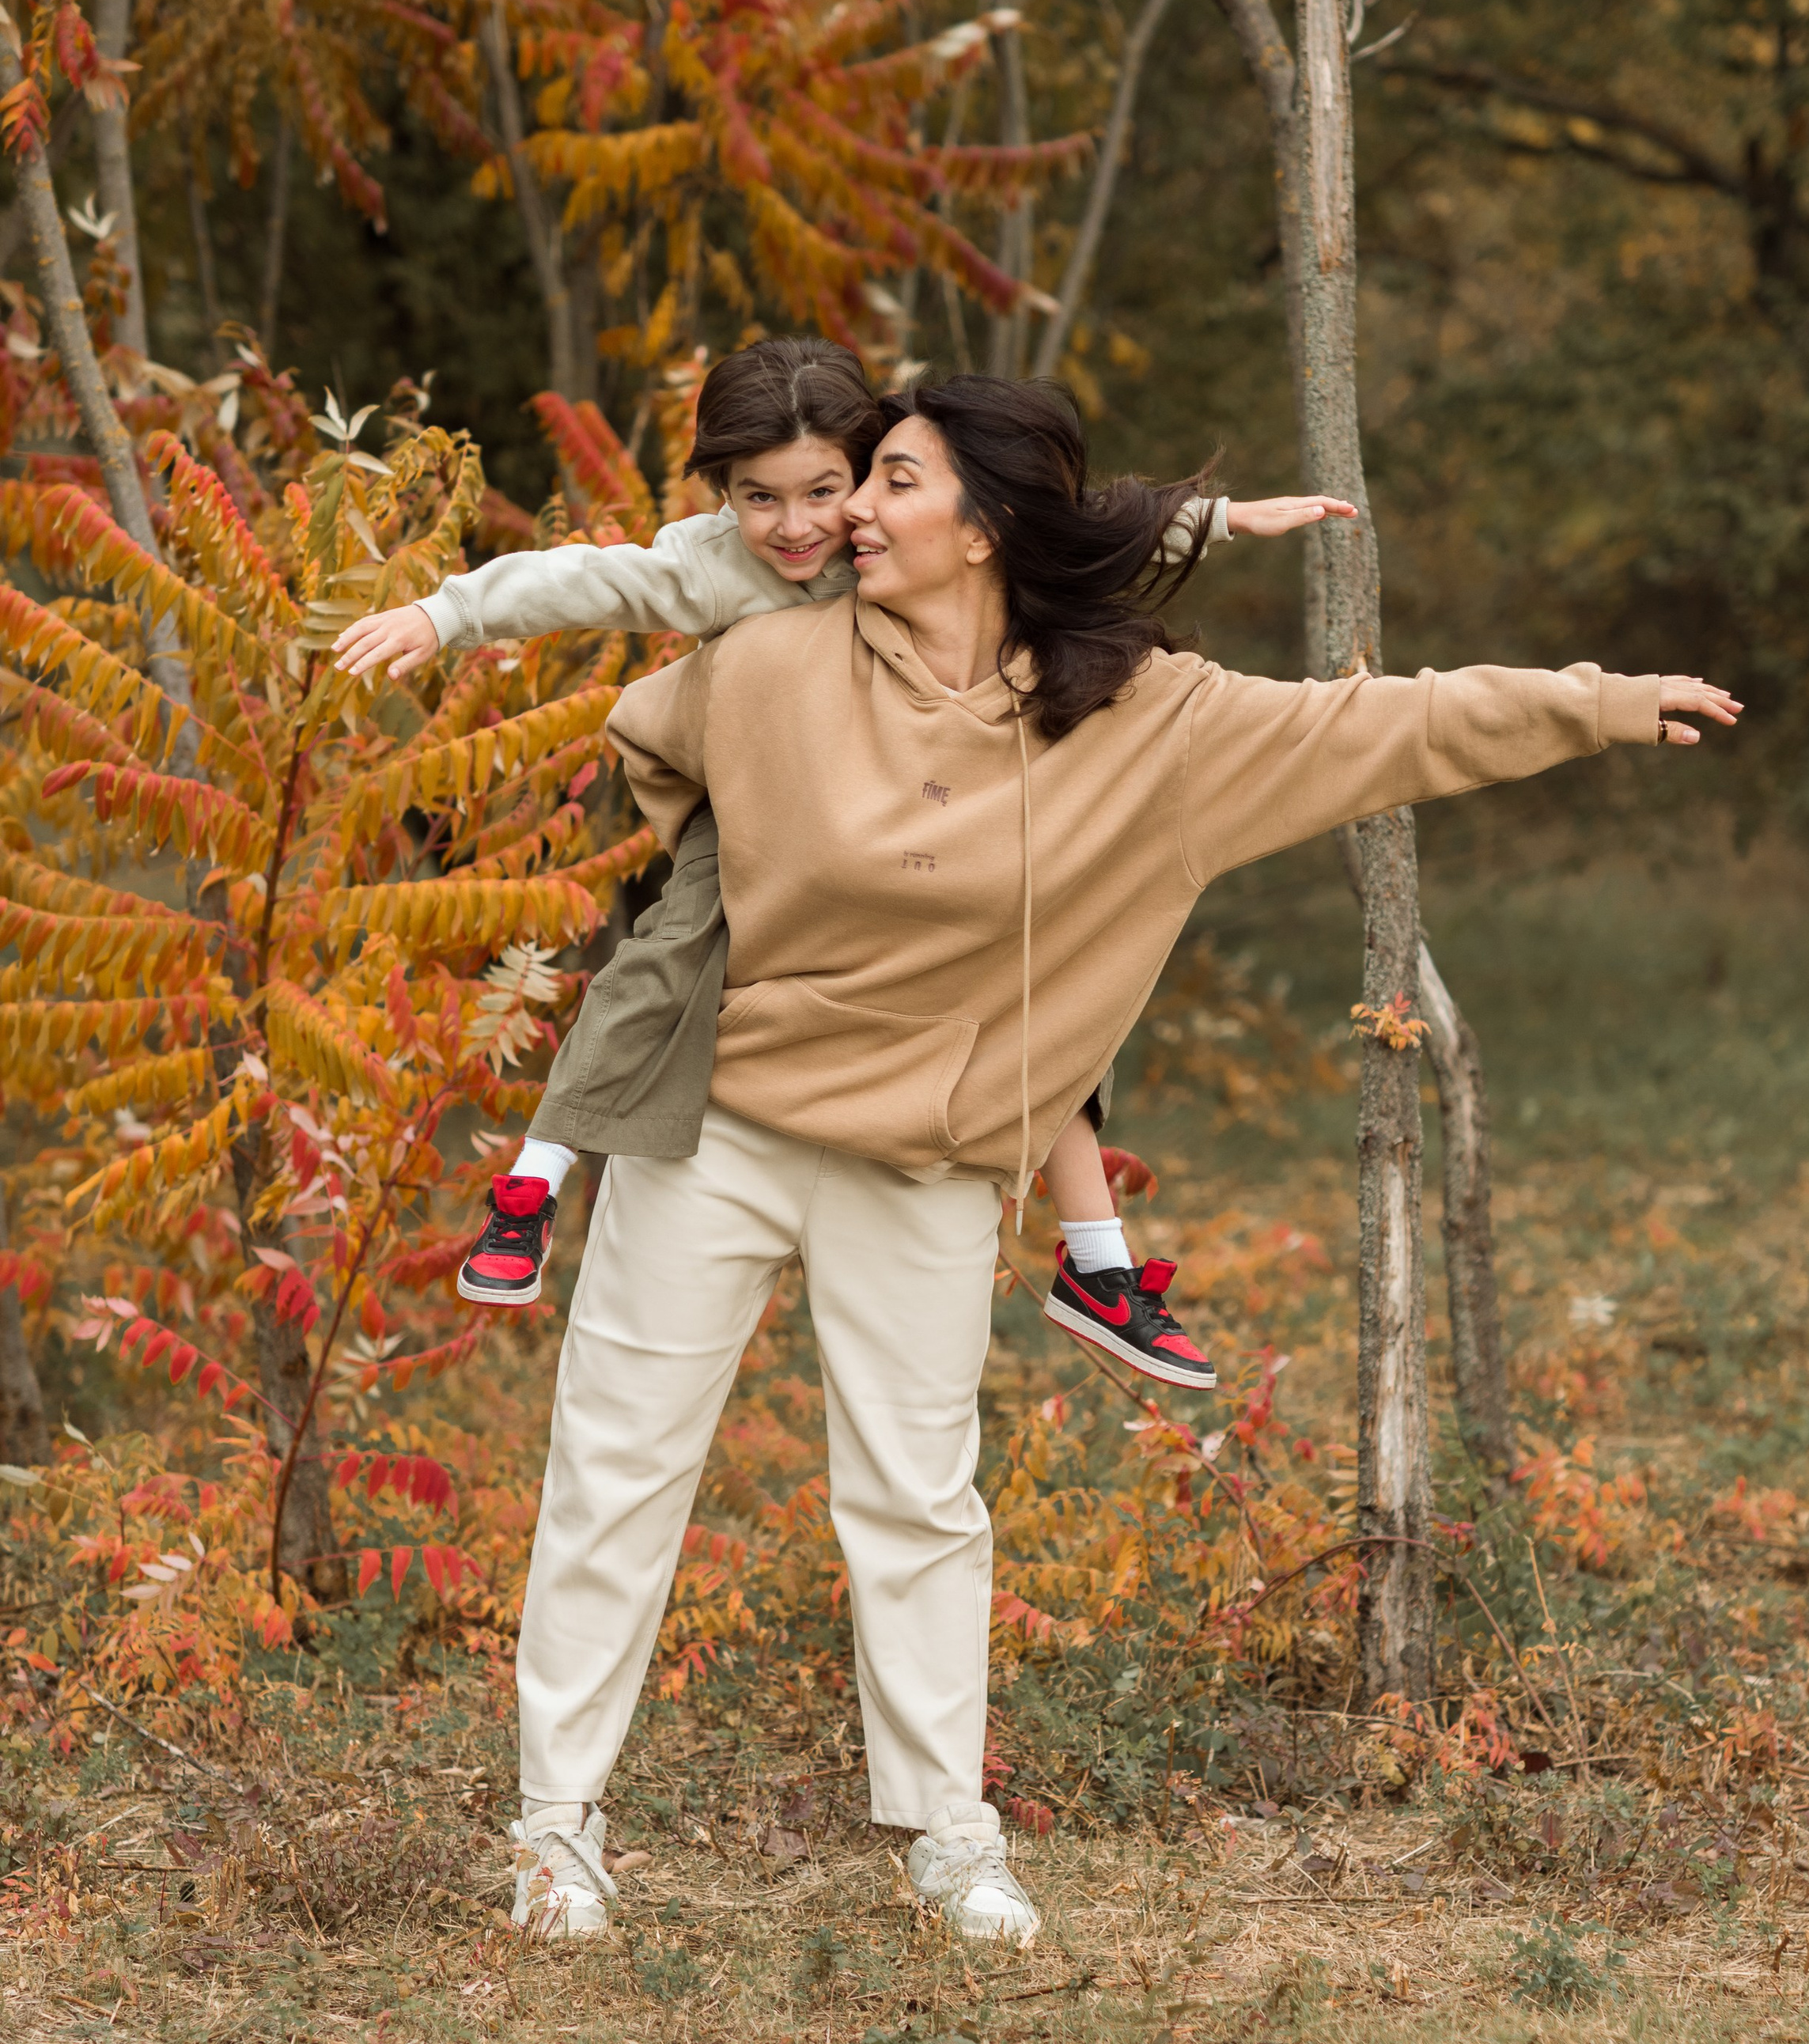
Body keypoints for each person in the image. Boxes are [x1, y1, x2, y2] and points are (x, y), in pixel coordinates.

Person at [502, 372, 1739, 1947]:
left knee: (915, 1498)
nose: (846, 513)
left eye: (889, 481)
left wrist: (1601, 699)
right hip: (720, 1131)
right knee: (616, 1467)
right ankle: (555, 1831)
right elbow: (640, 769)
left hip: (928, 1164)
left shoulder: (1151, 722)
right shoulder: (763, 662)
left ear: (985, 523)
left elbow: (1386, 724)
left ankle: (947, 1832)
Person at [331, 335, 1357, 1391]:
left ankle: (1098, 1264)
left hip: (917, 802)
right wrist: (443, 612)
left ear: (869, 476)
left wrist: (1224, 518)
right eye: (758, 498)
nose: (798, 527)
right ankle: (536, 1181)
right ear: (724, 493)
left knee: (1047, 969)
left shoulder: (889, 538)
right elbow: (587, 580)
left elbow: (1048, 519)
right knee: (670, 951)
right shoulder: (715, 564)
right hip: (770, 800)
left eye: (826, 490)